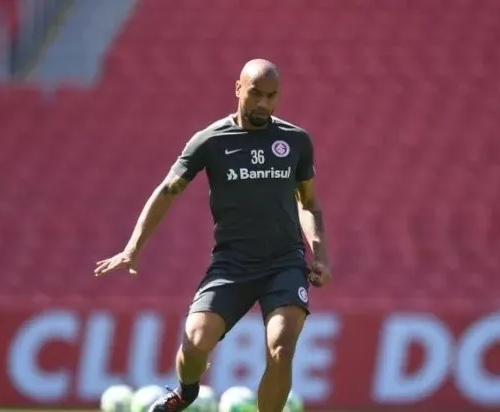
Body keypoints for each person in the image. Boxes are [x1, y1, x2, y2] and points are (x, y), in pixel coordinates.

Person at [94, 58, 331, 412]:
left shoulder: (295, 141)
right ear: (238, 88)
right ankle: (185, 394)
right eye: (256, 94)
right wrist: (132, 248)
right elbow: (167, 191)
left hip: (284, 263)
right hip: (231, 265)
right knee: (194, 344)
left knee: (281, 347)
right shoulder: (210, 141)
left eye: (272, 95)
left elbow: (308, 203)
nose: (264, 104)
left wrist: (320, 255)